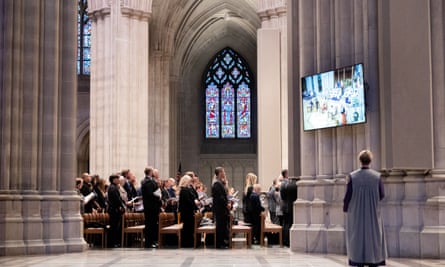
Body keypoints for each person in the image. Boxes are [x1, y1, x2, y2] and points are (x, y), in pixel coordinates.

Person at [343, 150, 387, 267]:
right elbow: (382, 194)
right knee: (373, 237)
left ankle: (358, 260)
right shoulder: (377, 177)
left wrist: (346, 209)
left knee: (357, 237)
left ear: (360, 160)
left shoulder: (352, 177)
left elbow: (347, 196)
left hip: (356, 213)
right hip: (373, 212)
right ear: (370, 161)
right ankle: (373, 260)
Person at [141, 166, 162, 249]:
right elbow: (150, 194)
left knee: (153, 225)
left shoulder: (150, 181)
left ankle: (152, 241)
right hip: (150, 207)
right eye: (153, 171)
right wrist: (158, 197)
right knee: (149, 225)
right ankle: (148, 243)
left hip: (153, 207)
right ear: (150, 172)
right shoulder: (147, 181)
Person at [211, 166, 230, 249]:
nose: (224, 173)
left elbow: (224, 195)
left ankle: (223, 242)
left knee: (223, 226)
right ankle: (220, 243)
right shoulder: (216, 184)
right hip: (220, 209)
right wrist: (226, 204)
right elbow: (220, 197)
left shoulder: (220, 183)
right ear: (219, 173)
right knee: (220, 226)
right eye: (223, 172)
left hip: (222, 209)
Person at [177, 175, 198, 247]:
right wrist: (194, 203)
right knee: (187, 227)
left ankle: (189, 241)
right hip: (186, 212)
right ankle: (186, 243)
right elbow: (188, 201)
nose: (190, 183)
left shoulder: (187, 189)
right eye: (189, 181)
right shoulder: (184, 190)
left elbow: (192, 198)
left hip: (189, 211)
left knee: (189, 227)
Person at [107, 173, 126, 248]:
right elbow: (116, 199)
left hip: (115, 209)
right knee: (114, 227)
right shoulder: (112, 188)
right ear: (114, 180)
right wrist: (121, 206)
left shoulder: (114, 187)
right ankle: (112, 243)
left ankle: (114, 242)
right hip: (114, 210)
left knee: (116, 227)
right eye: (117, 179)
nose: (119, 180)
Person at [280, 169, 298, 247]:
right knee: (289, 223)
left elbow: (282, 196)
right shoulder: (292, 184)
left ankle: (285, 240)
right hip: (290, 206)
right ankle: (288, 241)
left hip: (284, 206)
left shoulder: (282, 184)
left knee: (285, 224)